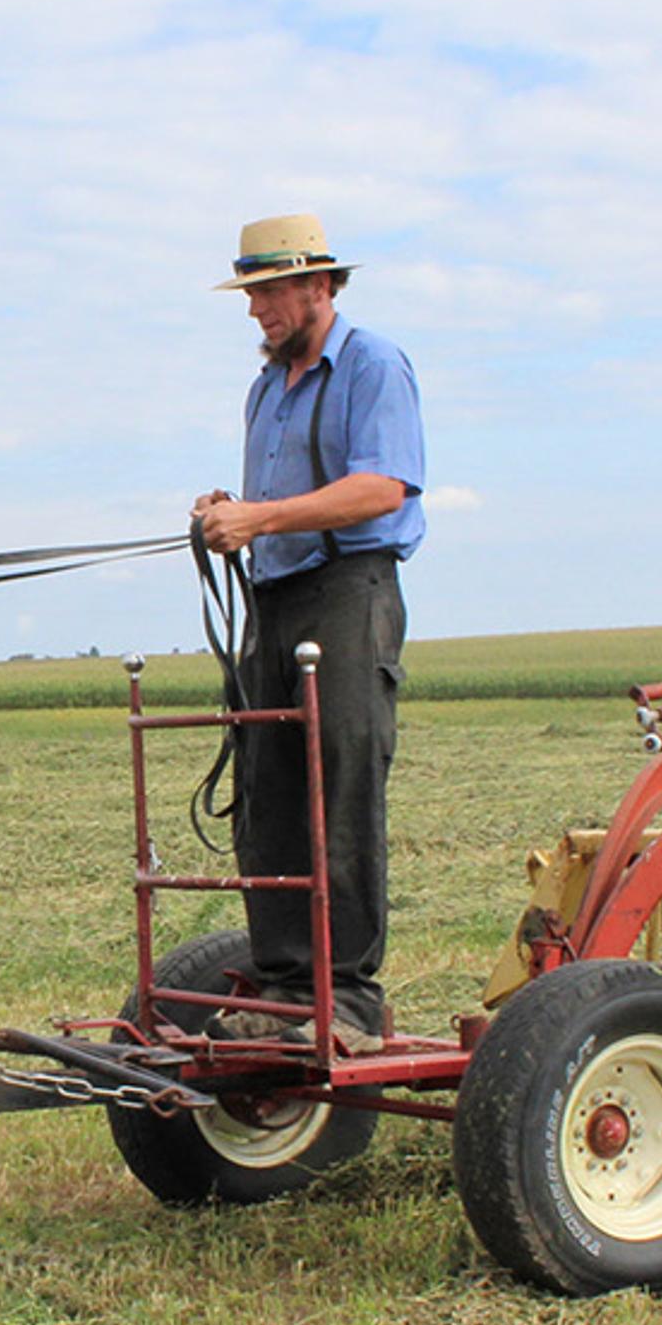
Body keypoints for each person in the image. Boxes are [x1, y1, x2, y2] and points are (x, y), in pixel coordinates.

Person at [190, 213, 427, 1051]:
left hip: (349, 592)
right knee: (267, 787)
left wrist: (261, 516)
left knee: (342, 778)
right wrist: (229, 511)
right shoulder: (265, 391)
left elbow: (382, 489)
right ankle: (287, 984)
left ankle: (351, 996)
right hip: (276, 597)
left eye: (269, 295)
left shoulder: (372, 365)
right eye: (251, 296)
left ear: (320, 287)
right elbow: (272, 508)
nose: (258, 312)